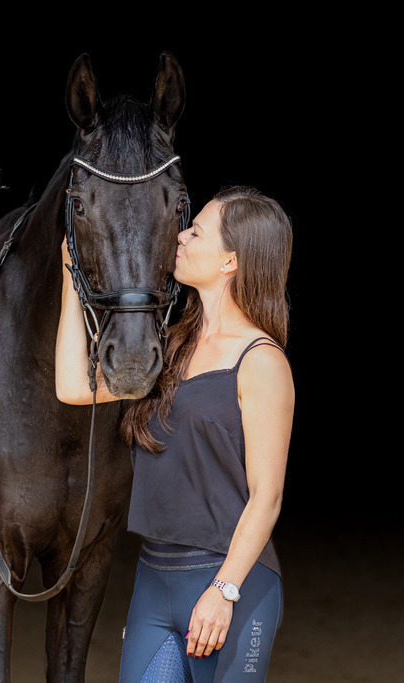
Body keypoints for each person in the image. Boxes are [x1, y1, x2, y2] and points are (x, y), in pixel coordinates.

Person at [56, 185, 294, 681]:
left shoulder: (262, 361)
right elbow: (72, 385)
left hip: (232, 584)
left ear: (231, 261)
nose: (181, 236)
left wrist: (224, 591)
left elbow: (267, 497)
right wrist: (69, 275)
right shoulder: (172, 347)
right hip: (153, 579)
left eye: (197, 230)